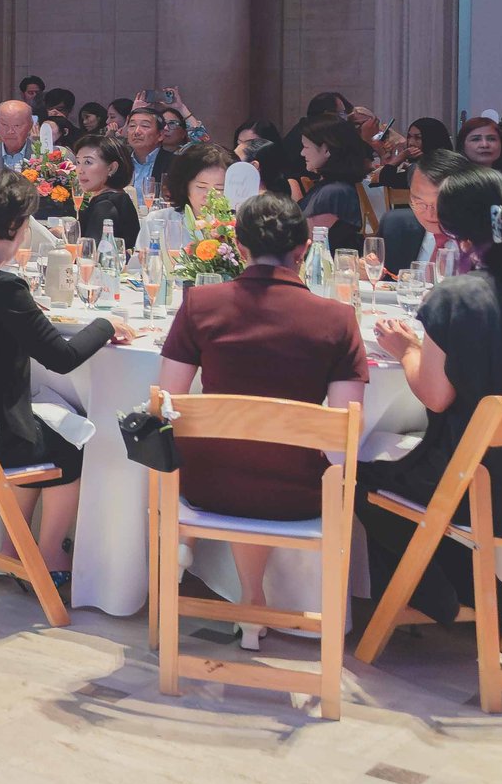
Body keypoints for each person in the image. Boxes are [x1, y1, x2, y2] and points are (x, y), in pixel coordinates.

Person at [157, 192, 368, 643]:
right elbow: (344, 437)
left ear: (240, 245)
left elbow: (166, 402)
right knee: (277, 457)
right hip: (301, 495)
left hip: (208, 486)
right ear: (304, 248)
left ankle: (221, 584)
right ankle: (253, 601)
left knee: (219, 451)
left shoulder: (201, 303)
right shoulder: (338, 318)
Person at [0, 168, 130, 587]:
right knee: (74, 443)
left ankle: (11, 551)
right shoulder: (3, 287)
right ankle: (47, 555)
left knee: (49, 424)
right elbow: (63, 357)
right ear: (14, 227)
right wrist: (107, 323)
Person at [362, 168, 502, 625]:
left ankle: (457, 590)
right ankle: (475, 592)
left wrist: (406, 350)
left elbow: (436, 395)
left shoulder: (458, 296)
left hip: (482, 485)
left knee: (356, 479)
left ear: (452, 229)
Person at [296, 113, 371, 253]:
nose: (302, 153)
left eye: (306, 147)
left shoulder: (333, 192)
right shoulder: (331, 187)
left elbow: (311, 244)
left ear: (326, 149)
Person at [155, 142, 236, 252]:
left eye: (219, 189)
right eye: (201, 187)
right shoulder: (157, 221)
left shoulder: (236, 228)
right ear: (184, 186)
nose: (208, 196)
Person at [69, 133, 140, 250]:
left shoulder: (105, 205)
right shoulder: (119, 196)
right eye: (78, 162)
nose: (80, 170)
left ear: (112, 168)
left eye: (88, 162)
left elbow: (90, 255)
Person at [122, 105, 172, 202]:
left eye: (145, 126)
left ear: (160, 135)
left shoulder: (173, 163)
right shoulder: (120, 161)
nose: (136, 132)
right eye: (132, 126)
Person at [0, 99, 36, 171]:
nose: (10, 131)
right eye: (4, 125)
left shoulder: (45, 156)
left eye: (17, 125)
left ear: (30, 125)